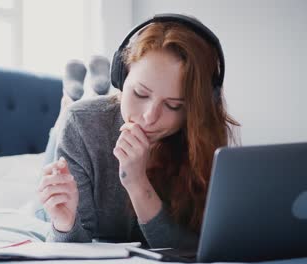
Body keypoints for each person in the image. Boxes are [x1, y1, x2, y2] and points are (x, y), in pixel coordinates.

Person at [37, 14, 240, 250]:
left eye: (173, 105)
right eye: (141, 94)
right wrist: (65, 222)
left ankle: (82, 93)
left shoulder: (204, 137)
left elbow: (191, 249)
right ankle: (70, 99)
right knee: (68, 118)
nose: (149, 117)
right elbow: (70, 246)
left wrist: (136, 182)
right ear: (121, 76)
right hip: (83, 120)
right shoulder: (81, 123)